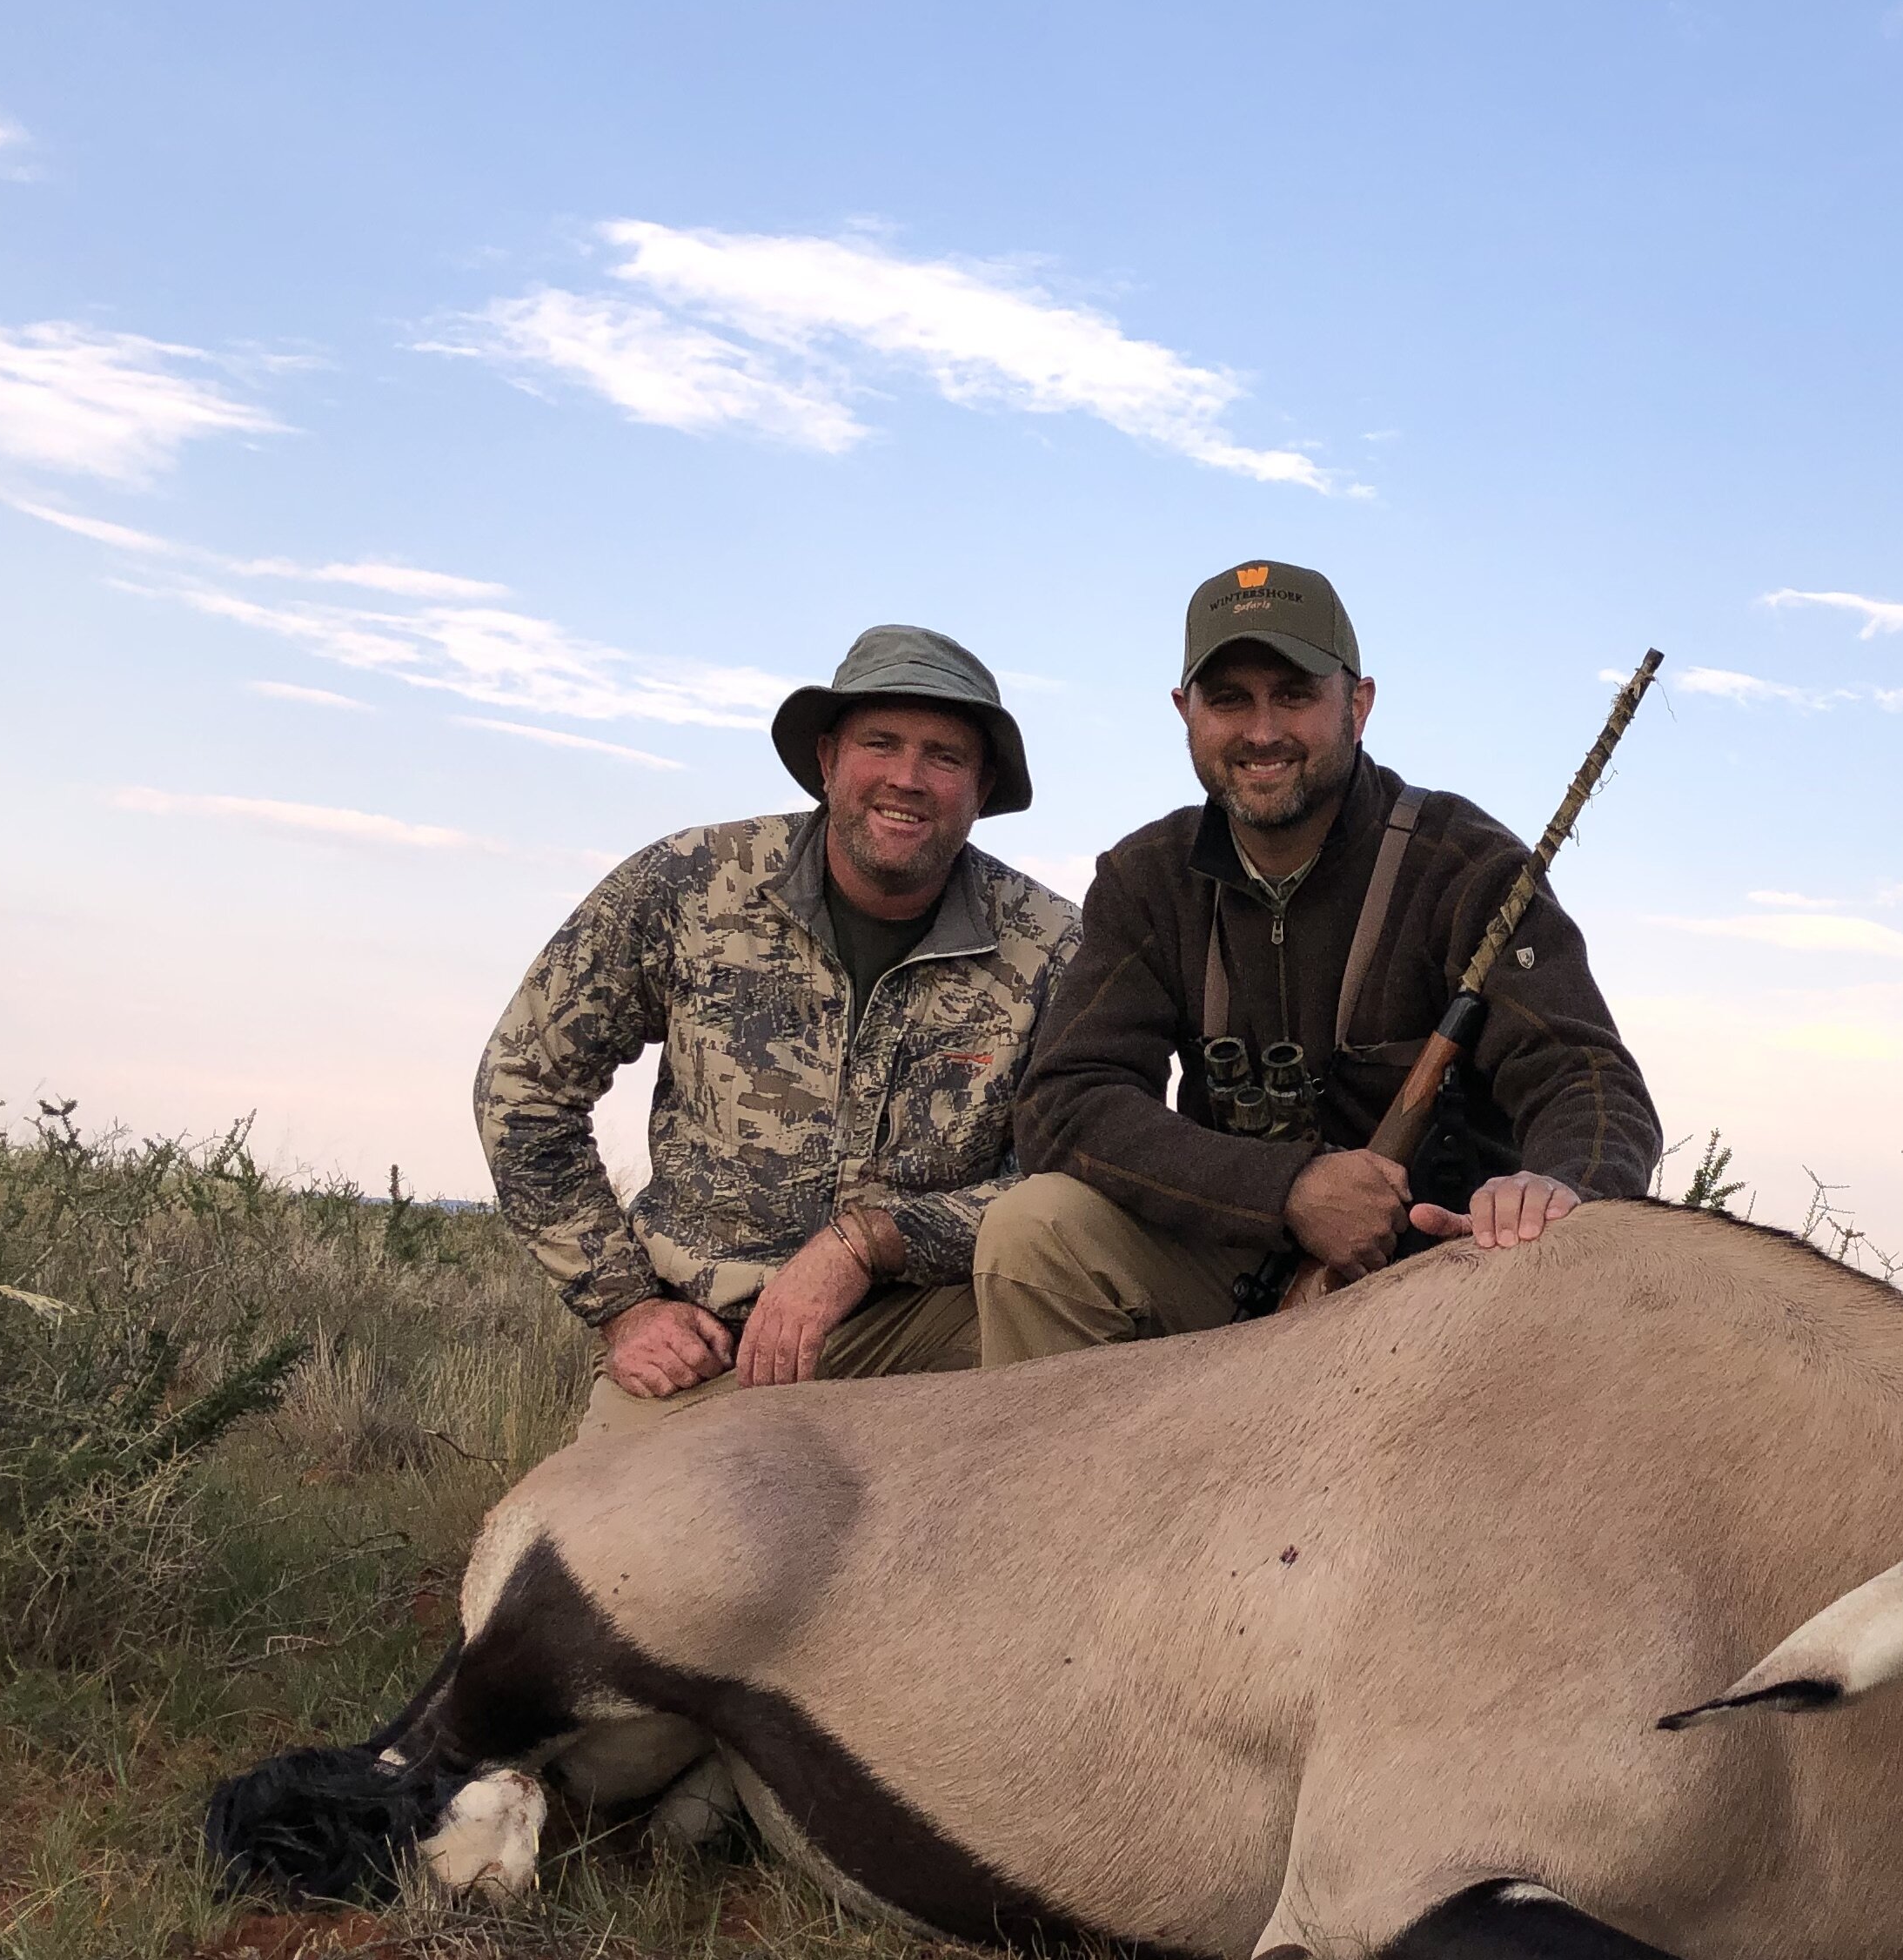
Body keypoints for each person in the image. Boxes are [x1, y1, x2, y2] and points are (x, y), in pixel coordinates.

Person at [977, 559, 1658, 1362]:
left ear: (1358, 705)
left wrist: (1556, 1188)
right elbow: (1066, 1100)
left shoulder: (1466, 867)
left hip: (1445, 1281)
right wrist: (1286, 1190)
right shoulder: (1146, 876)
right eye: (1229, 699)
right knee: (1031, 1236)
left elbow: (1587, 1079)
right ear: (1183, 710)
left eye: (1295, 694)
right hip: (1233, 1255)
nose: (1262, 732)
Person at [479, 625, 1078, 1434]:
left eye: (944, 756)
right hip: (702, 1340)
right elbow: (522, 1084)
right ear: (829, 760)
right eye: (881, 743)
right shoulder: (689, 884)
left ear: (982, 786)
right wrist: (622, 1306)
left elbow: (1070, 1180)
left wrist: (870, 1243)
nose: (906, 779)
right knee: (625, 1554)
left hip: (931, 1328)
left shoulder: (1053, 946)